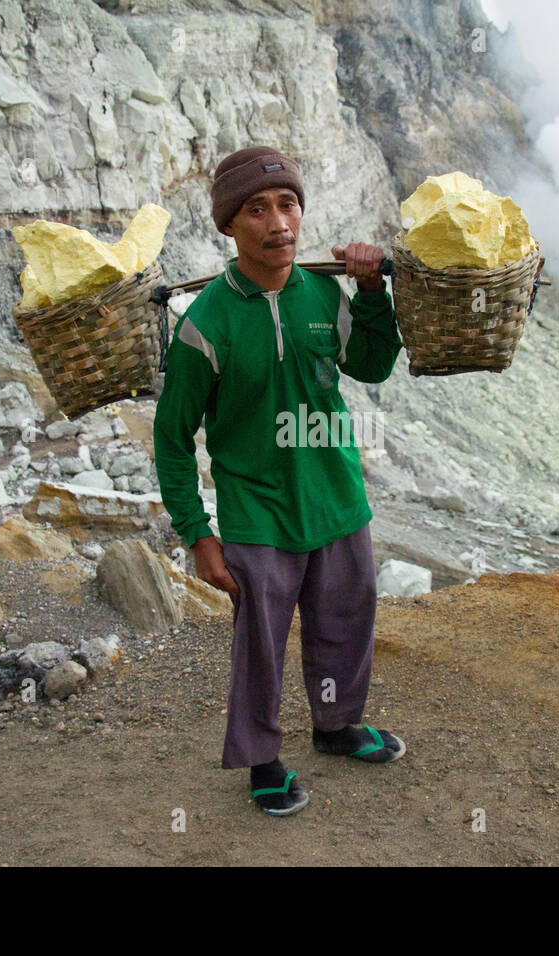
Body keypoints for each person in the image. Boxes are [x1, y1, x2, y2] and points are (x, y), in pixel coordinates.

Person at [153, 146, 406, 816]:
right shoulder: (204, 325)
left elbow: (373, 366)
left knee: (346, 618)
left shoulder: (324, 293)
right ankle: (263, 758)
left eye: (288, 203)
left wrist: (374, 292)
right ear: (229, 228)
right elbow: (173, 440)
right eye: (256, 209)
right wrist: (198, 536)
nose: (277, 221)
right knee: (260, 640)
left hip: (335, 494)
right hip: (257, 509)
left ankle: (336, 726)